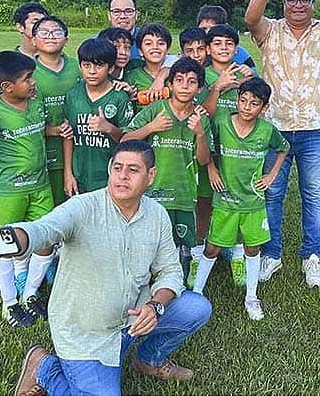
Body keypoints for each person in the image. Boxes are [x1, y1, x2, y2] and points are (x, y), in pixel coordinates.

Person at [0, 140, 211, 396]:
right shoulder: (83, 207)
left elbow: (170, 271)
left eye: (133, 170)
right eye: (117, 167)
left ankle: (148, 360)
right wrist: (11, 239)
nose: (122, 176)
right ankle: (44, 367)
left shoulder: (157, 215)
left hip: (133, 318)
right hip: (86, 334)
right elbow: (43, 229)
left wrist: (155, 306)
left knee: (196, 308)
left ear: (151, 176)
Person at [244, 0, 320, 287]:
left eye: (305, 0)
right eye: (292, 0)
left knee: (313, 195)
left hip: (315, 129)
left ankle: (312, 257)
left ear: (312, 4)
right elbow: (250, 18)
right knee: (272, 194)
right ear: (284, 3)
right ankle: (272, 255)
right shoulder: (269, 31)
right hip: (275, 130)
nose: (298, 5)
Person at [0, 51, 56, 325]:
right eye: (27, 79)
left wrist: (58, 130)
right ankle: (9, 303)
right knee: (4, 245)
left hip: (41, 186)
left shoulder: (36, 101)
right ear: (7, 87)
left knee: (46, 241)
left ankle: (29, 294)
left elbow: (39, 129)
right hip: (10, 190)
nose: (33, 83)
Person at [192, 78, 289, 319]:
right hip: (225, 200)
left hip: (253, 203)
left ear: (263, 108)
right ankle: (196, 294)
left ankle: (251, 297)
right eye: (243, 100)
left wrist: (272, 175)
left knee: (252, 248)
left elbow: (284, 147)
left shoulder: (266, 131)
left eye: (253, 103)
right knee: (212, 247)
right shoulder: (223, 122)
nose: (246, 107)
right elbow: (208, 148)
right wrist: (212, 169)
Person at [123, 58, 212, 276]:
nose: (184, 86)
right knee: (148, 244)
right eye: (179, 80)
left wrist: (200, 134)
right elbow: (125, 140)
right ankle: (143, 282)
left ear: (199, 88)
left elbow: (203, 160)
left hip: (183, 193)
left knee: (180, 247)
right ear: (169, 85)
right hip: (153, 193)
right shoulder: (155, 111)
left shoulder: (200, 118)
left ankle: (176, 283)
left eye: (191, 82)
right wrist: (151, 127)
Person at [192, 24, 254, 287]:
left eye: (229, 43)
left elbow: (258, 112)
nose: (224, 48)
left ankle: (238, 255)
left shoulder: (245, 74)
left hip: (239, 154)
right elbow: (200, 114)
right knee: (204, 203)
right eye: (217, 43)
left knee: (238, 204)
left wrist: (248, 81)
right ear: (208, 48)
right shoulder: (201, 75)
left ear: (236, 48)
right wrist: (217, 88)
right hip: (210, 151)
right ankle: (199, 254)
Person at [63, 38, 134, 196]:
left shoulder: (119, 97)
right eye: (87, 65)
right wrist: (68, 173)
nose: (92, 71)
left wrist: (108, 128)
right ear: (80, 66)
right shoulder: (73, 95)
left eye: (99, 65)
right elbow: (68, 136)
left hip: (108, 176)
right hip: (79, 174)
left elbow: (129, 140)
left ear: (111, 68)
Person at [32, 16, 80, 206]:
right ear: (34, 39)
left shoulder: (79, 67)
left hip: (77, 150)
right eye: (44, 32)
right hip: (41, 153)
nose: (51, 36)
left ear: (66, 39)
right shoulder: (26, 72)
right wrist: (52, 130)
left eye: (57, 32)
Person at [125, 23, 174, 111]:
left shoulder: (177, 74)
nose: (155, 47)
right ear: (140, 51)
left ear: (168, 48)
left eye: (161, 43)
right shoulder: (132, 77)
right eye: (148, 43)